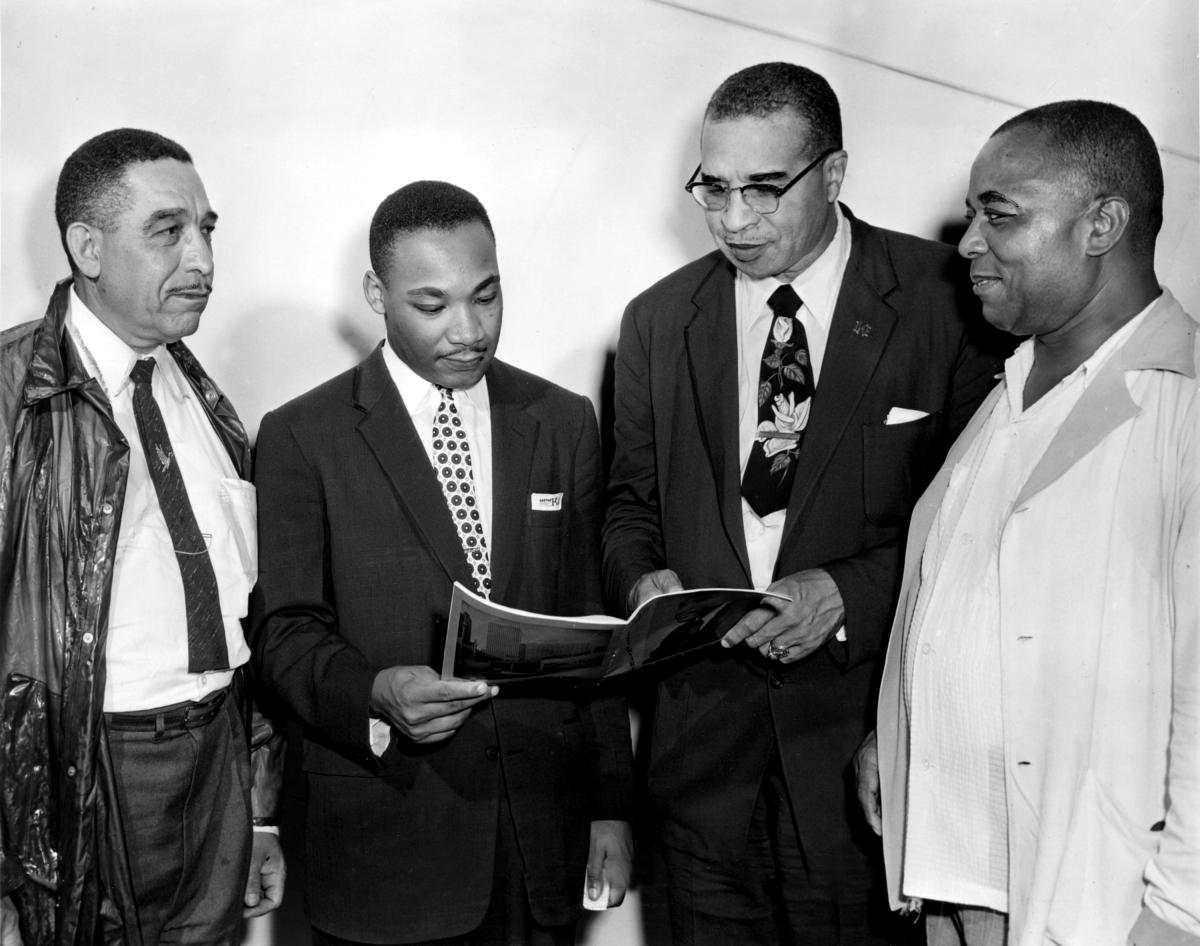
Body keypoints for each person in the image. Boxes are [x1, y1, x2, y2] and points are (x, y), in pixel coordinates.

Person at [602, 61, 1005, 945]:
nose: (734, 220)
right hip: (699, 769)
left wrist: (848, 594)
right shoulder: (655, 322)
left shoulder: (951, 301)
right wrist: (643, 586)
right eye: (714, 188)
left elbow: (988, 530)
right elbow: (628, 505)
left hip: (863, 758)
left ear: (832, 173)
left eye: (763, 188)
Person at [251, 180, 635, 945]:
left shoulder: (562, 421)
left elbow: (594, 632)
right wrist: (374, 692)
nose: (468, 330)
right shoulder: (302, 436)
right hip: (382, 851)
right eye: (432, 306)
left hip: (539, 851)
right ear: (377, 294)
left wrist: (612, 805)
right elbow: (285, 634)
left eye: (486, 297)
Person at [857, 100, 1200, 946]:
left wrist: (1179, 914)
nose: (968, 242)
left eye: (999, 215)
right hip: (959, 883)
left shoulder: (1183, 409)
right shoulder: (1007, 389)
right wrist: (899, 731)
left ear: (1102, 225)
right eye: (973, 213)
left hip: (1101, 906)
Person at [0, 128, 285, 946]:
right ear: (87, 247)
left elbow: (245, 607)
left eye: (207, 229)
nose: (201, 258)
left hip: (217, 761)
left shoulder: (197, 391)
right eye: (169, 231)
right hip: (86, 773)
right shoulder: (11, 398)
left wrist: (260, 811)